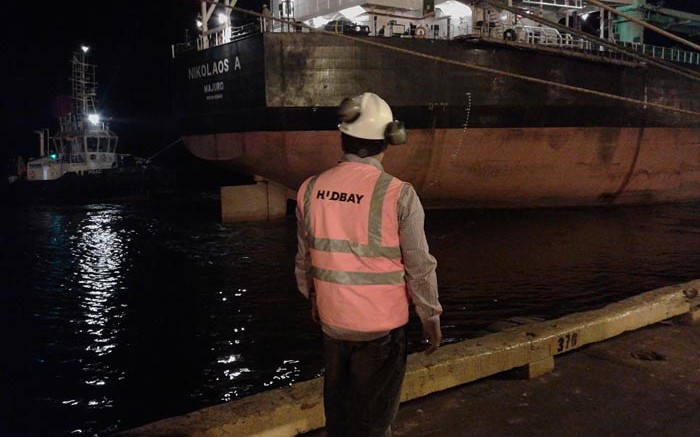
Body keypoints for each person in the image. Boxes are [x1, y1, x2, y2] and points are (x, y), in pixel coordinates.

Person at [295, 92, 442, 437]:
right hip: (381, 332)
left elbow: (304, 261)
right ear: (389, 140)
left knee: (340, 419)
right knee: (374, 424)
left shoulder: (309, 189)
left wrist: (315, 300)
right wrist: (430, 317)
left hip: (333, 324)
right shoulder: (398, 194)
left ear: (342, 137)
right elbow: (419, 267)